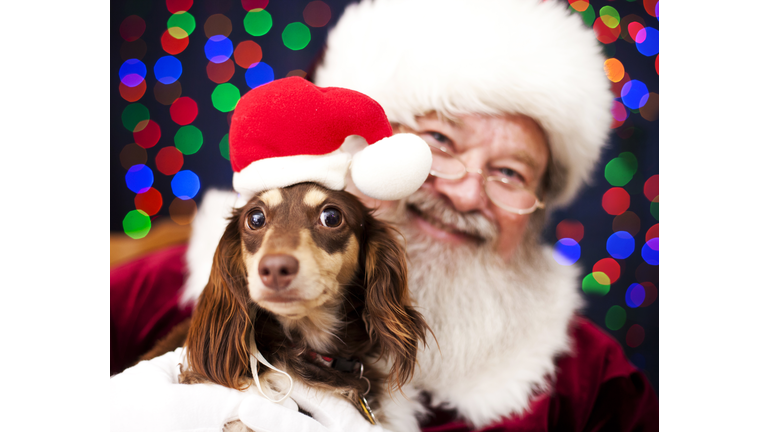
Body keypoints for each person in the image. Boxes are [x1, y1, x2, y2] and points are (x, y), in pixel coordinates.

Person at [111, 0, 659, 430]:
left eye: (511, 173)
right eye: (440, 140)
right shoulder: (173, 287)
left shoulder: (593, 380)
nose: (467, 194)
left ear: (536, 212)